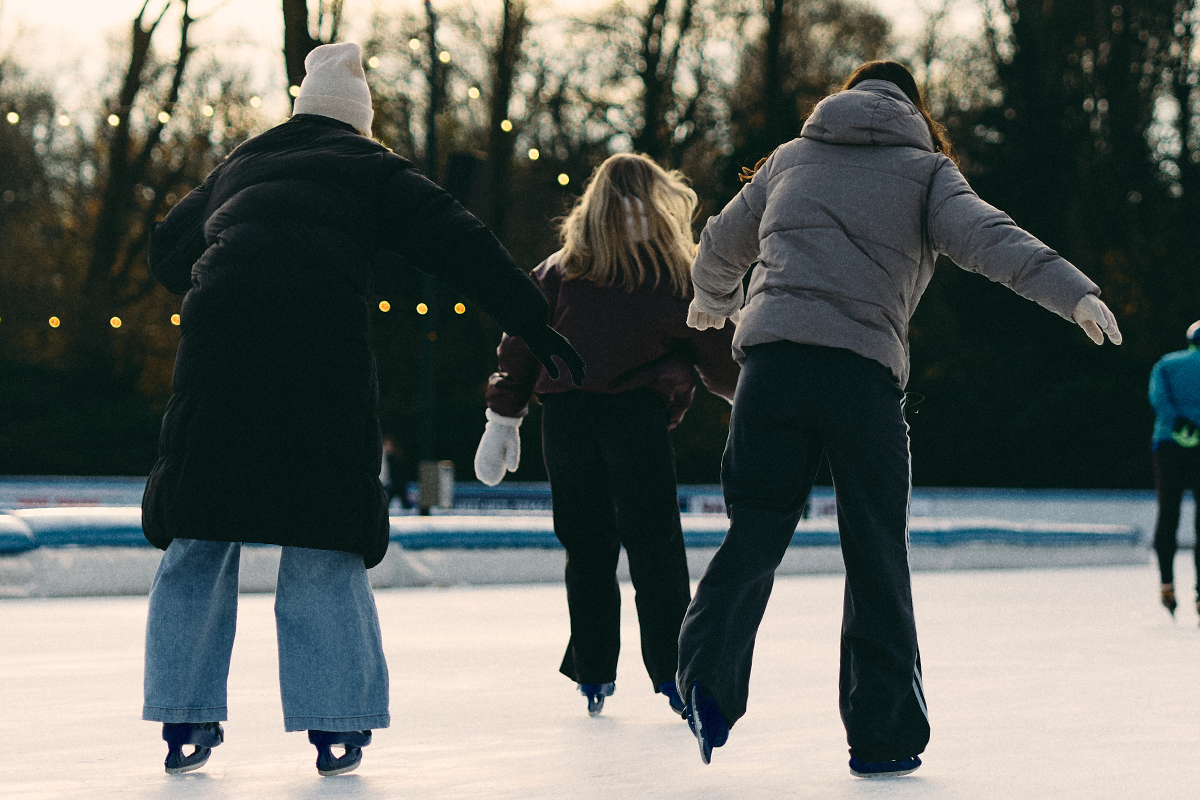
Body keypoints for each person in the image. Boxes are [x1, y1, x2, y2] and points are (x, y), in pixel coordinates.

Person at [139, 42, 584, 777]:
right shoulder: (372, 166)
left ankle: (184, 717)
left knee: (200, 524)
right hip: (319, 353)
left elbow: (164, 256)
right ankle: (335, 724)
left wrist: (234, 279)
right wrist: (531, 318)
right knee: (322, 530)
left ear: (301, 109)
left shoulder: (242, 163)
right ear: (359, 119)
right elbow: (458, 240)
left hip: (219, 351)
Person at [676, 61, 1122, 776]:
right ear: (914, 108)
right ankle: (882, 736)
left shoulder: (790, 159)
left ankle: (705, 675)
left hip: (772, 373)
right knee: (876, 550)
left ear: (844, 97)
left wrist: (711, 299)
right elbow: (993, 238)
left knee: (756, 524)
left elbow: (722, 241)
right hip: (859, 379)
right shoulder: (927, 173)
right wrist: (1073, 294)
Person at [474, 153, 739, 718]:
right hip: (635, 423)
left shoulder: (561, 269)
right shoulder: (671, 273)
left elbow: (521, 339)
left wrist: (504, 414)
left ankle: (594, 670)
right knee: (656, 550)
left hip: (567, 422)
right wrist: (754, 394)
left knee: (587, 548)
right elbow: (715, 348)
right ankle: (673, 673)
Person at [1148, 321, 1200, 619]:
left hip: (1168, 445)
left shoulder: (1166, 364)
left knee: (1168, 514)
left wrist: (1179, 423)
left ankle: (1167, 585)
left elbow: (1159, 400)